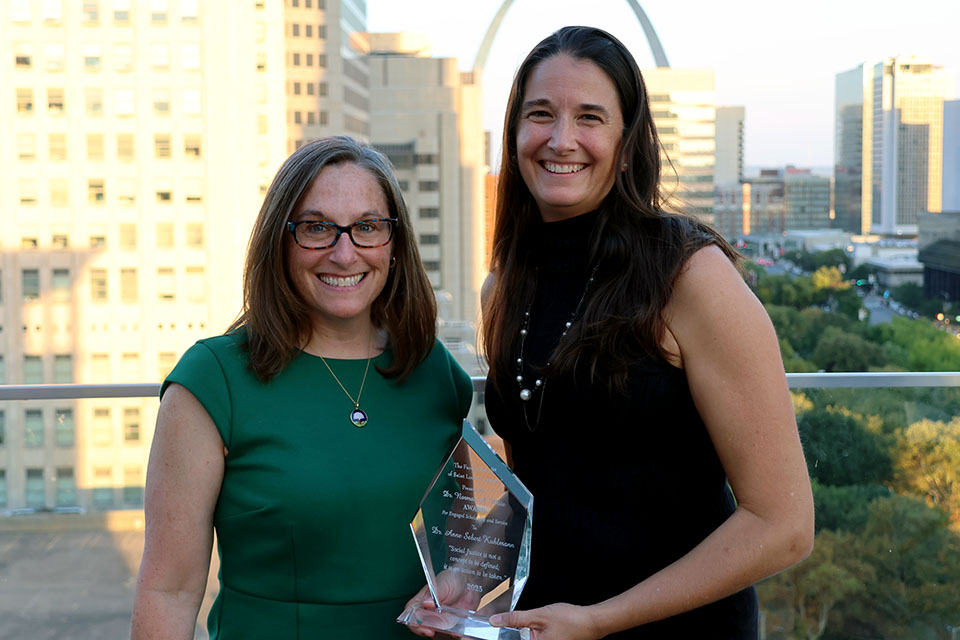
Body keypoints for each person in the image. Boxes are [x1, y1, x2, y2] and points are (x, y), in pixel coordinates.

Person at [478, 26, 814, 639]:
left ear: (627, 144)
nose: (561, 139)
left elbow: (782, 526)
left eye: (590, 117)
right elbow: (544, 490)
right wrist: (464, 578)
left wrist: (603, 621)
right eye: (541, 115)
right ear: (514, 135)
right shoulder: (505, 284)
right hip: (547, 628)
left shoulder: (689, 275)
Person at [130, 136, 473, 639]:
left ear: (394, 243)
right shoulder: (212, 380)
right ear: (280, 241)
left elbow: (469, 547)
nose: (343, 251)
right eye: (316, 228)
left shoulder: (434, 371)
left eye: (367, 227)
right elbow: (170, 593)